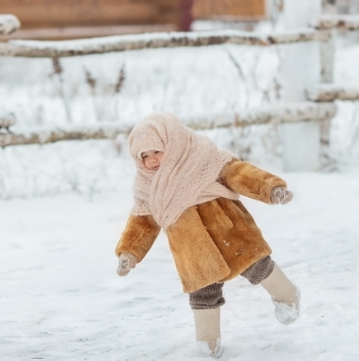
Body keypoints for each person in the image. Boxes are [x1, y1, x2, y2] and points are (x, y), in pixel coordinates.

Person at [115, 112, 300, 357]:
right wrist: (129, 251)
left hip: (230, 229)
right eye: (144, 156)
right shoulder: (147, 185)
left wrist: (271, 189)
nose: (151, 161)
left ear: (172, 141)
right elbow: (142, 221)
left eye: (156, 151)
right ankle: (207, 346)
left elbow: (239, 174)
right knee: (202, 294)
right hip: (191, 249)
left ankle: (287, 296)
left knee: (257, 265)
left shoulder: (203, 157)